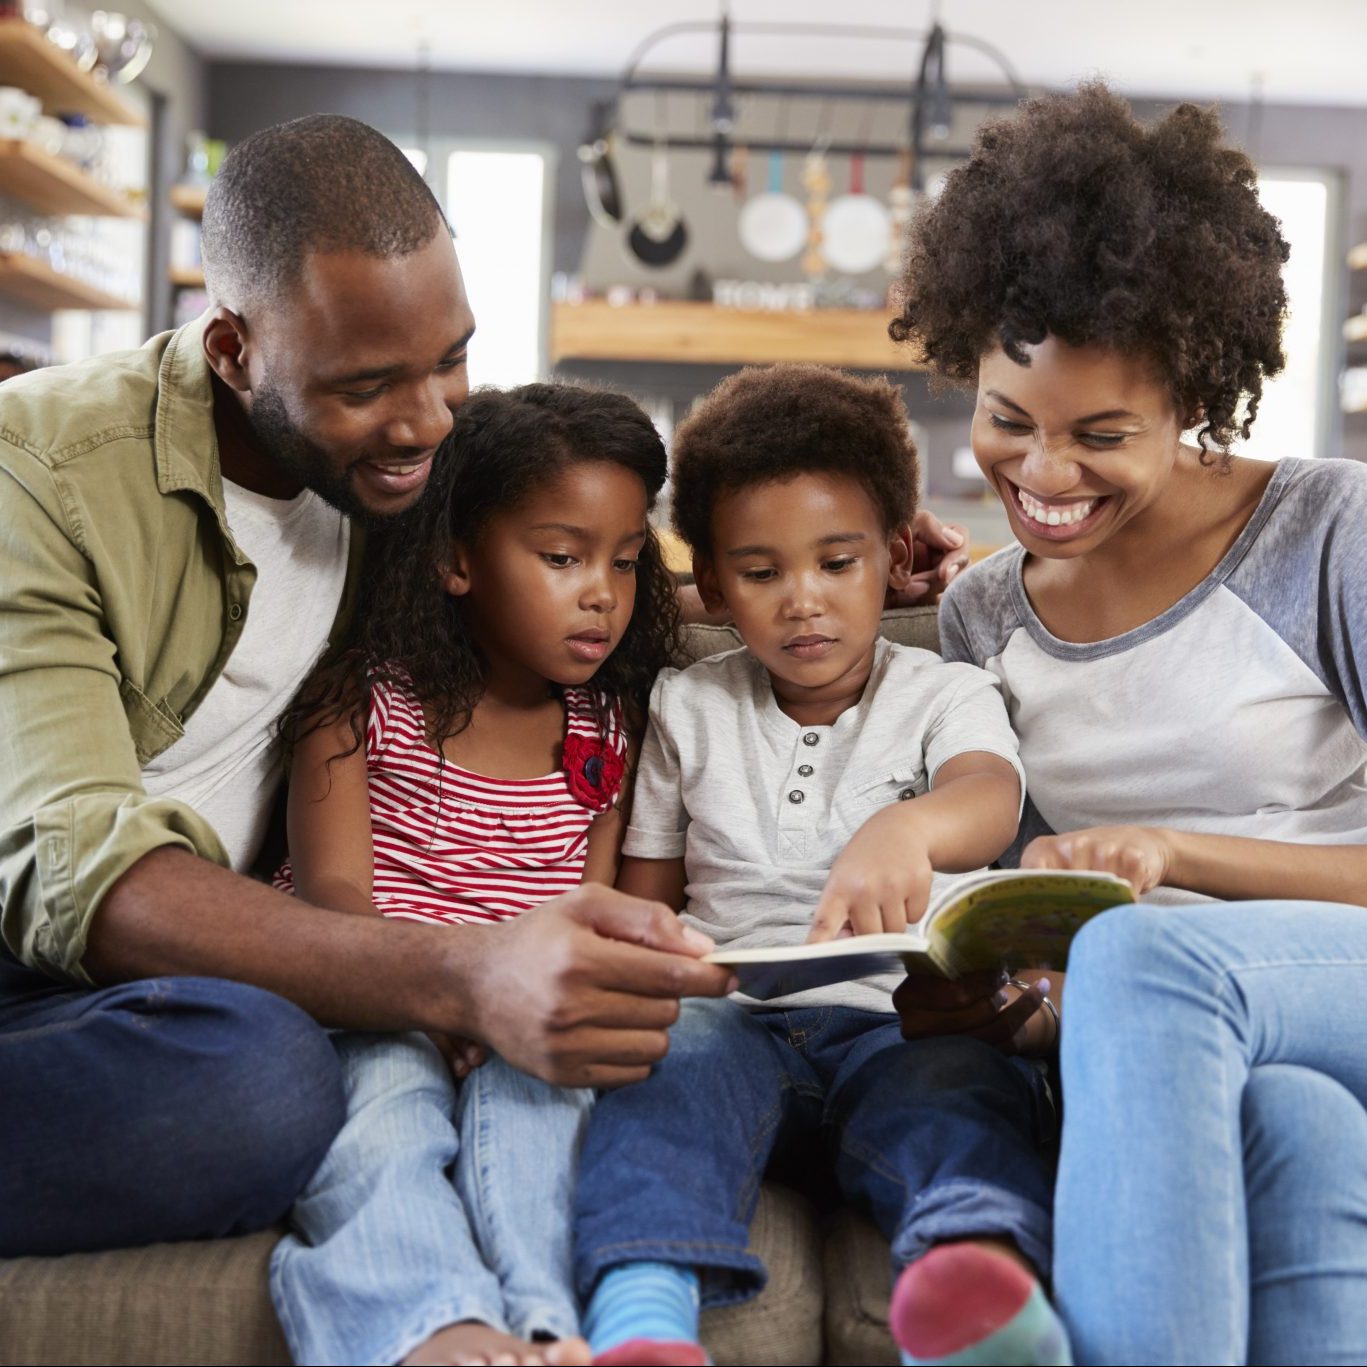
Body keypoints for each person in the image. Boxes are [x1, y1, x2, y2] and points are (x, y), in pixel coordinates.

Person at [0, 114, 735, 1261]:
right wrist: (455, 972)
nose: (430, 419)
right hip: (37, 949)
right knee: (268, 1081)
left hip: (161, 995)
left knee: (260, 1060)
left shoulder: (393, 476)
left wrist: (799, 582)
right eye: (367, 383)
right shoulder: (36, 475)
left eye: (450, 358)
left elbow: (554, 575)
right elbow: (82, 870)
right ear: (235, 350)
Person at [892, 83, 1367, 1365]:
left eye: (1100, 435)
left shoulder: (1328, 531)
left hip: (1332, 971)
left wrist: (1167, 853)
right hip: (1191, 1034)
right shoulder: (981, 613)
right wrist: (1013, 1000)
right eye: (1006, 421)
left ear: (1194, 400)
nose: (1042, 476)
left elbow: (1135, 927)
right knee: (1300, 1129)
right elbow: (1055, 927)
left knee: (1144, 959)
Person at [570, 365, 1070, 1367]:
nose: (802, 601)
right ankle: (641, 1317)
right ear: (711, 584)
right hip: (730, 1017)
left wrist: (906, 830)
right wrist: (658, 964)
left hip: (893, 1018)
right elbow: (647, 898)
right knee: (665, 1079)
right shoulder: (685, 704)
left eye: (836, 562)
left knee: (953, 1096)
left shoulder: (944, 690)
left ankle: (970, 1285)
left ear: (889, 559)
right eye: (759, 574)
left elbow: (986, 797)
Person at [267, 382, 683, 1367]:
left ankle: (543, 1325)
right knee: (384, 1120)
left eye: (625, 563)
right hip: (372, 1002)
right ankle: (427, 1321)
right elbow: (332, 901)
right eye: (561, 557)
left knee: (540, 1125)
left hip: (521, 1022)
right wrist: (434, 990)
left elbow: (594, 907)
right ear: (456, 557)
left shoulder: (611, 727)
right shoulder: (362, 702)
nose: (601, 594)